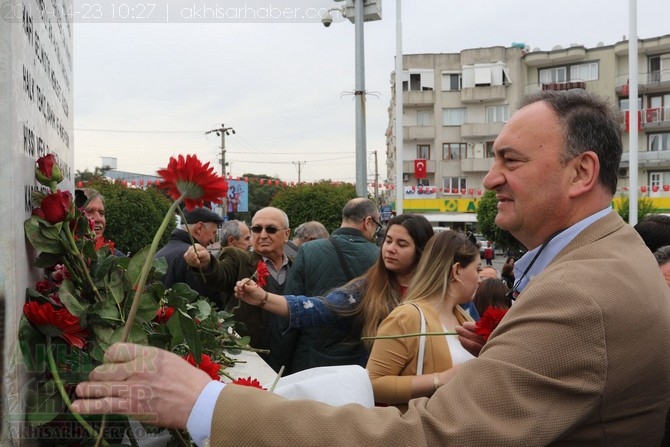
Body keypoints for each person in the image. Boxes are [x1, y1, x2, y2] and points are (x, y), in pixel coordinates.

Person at [72, 90, 670, 445]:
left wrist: (207, 404)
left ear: (581, 173)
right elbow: (319, 306)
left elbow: (432, 439)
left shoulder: (581, 292)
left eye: (510, 160)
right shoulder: (602, 266)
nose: (490, 179)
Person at [235, 214, 433, 370]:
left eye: (402, 244)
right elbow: (318, 308)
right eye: (388, 241)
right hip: (381, 390)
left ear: (422, 251)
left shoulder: (438, 291)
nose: (390, 249)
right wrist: (263, 298)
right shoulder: (369, 286)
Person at [366, 230, 479, 410]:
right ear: (457, 270)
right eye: (477, 269)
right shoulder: (407, 317)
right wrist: (440, 379)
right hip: (420, 431)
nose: (479, 278)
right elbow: (373, 384)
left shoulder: (461, 315)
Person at [278, 198, 380, 374]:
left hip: (312, 360)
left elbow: (290, 307)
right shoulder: (380, 257)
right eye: (377, 225)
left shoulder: (308, 250)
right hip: (359, 363)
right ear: (368, 221)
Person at [183, 206, 292, 369]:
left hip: (289, 359)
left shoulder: (297, 266)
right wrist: (205, 263)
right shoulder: (238, 258)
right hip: (250, 359)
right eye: (256, 229)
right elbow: (219, 274)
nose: (262, 235)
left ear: (287, 234)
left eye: (271, 229)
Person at [154, 207, 224, 307]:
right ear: (200, 228)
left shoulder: (159, 254)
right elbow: (205, 305)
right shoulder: (194, 258)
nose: (213, 240)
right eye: (213, 233)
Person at [74, 188, 125, 257]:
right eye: (89, 211)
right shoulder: (60, 260)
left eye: (101, 213)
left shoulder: (118, 260)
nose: (98, 219)